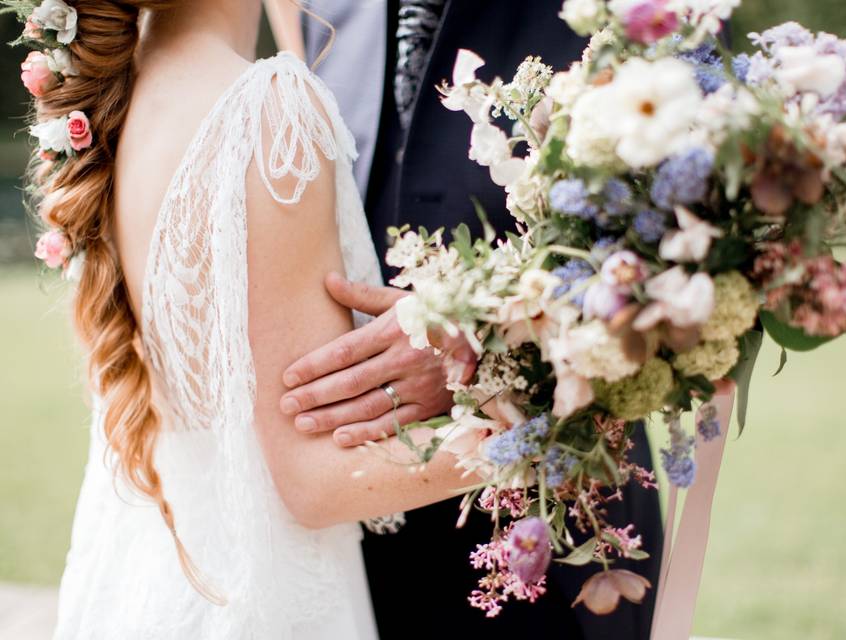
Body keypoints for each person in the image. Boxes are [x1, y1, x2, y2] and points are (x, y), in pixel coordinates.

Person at [26, 1, 472, 637]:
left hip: (138, 582)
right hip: (259, 602)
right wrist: (539, 425)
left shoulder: (114, 96)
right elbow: (313, 484)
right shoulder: (265, 108)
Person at [267, 2, 664, 638]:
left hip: (557, 541)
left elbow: (689, 234)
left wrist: (483, 341)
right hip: (349, 551)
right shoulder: (317, 15)